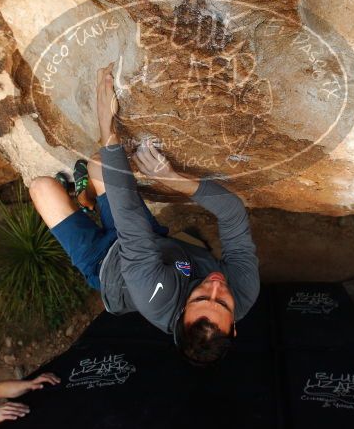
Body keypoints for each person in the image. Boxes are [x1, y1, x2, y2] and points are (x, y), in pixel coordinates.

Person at [29, 64, 260, 366]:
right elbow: (232, 213)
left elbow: (131, 223)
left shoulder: (156, 299)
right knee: (100, 164)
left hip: (104, 265)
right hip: (154, 244)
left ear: (181, 313)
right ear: (234, 325)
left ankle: (84, 200)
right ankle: (86, 196)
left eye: (201, 297)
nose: (216, 286)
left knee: (42, 187)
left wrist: (105, 120)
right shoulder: (244, 291)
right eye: (223, 302)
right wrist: (174, 178)